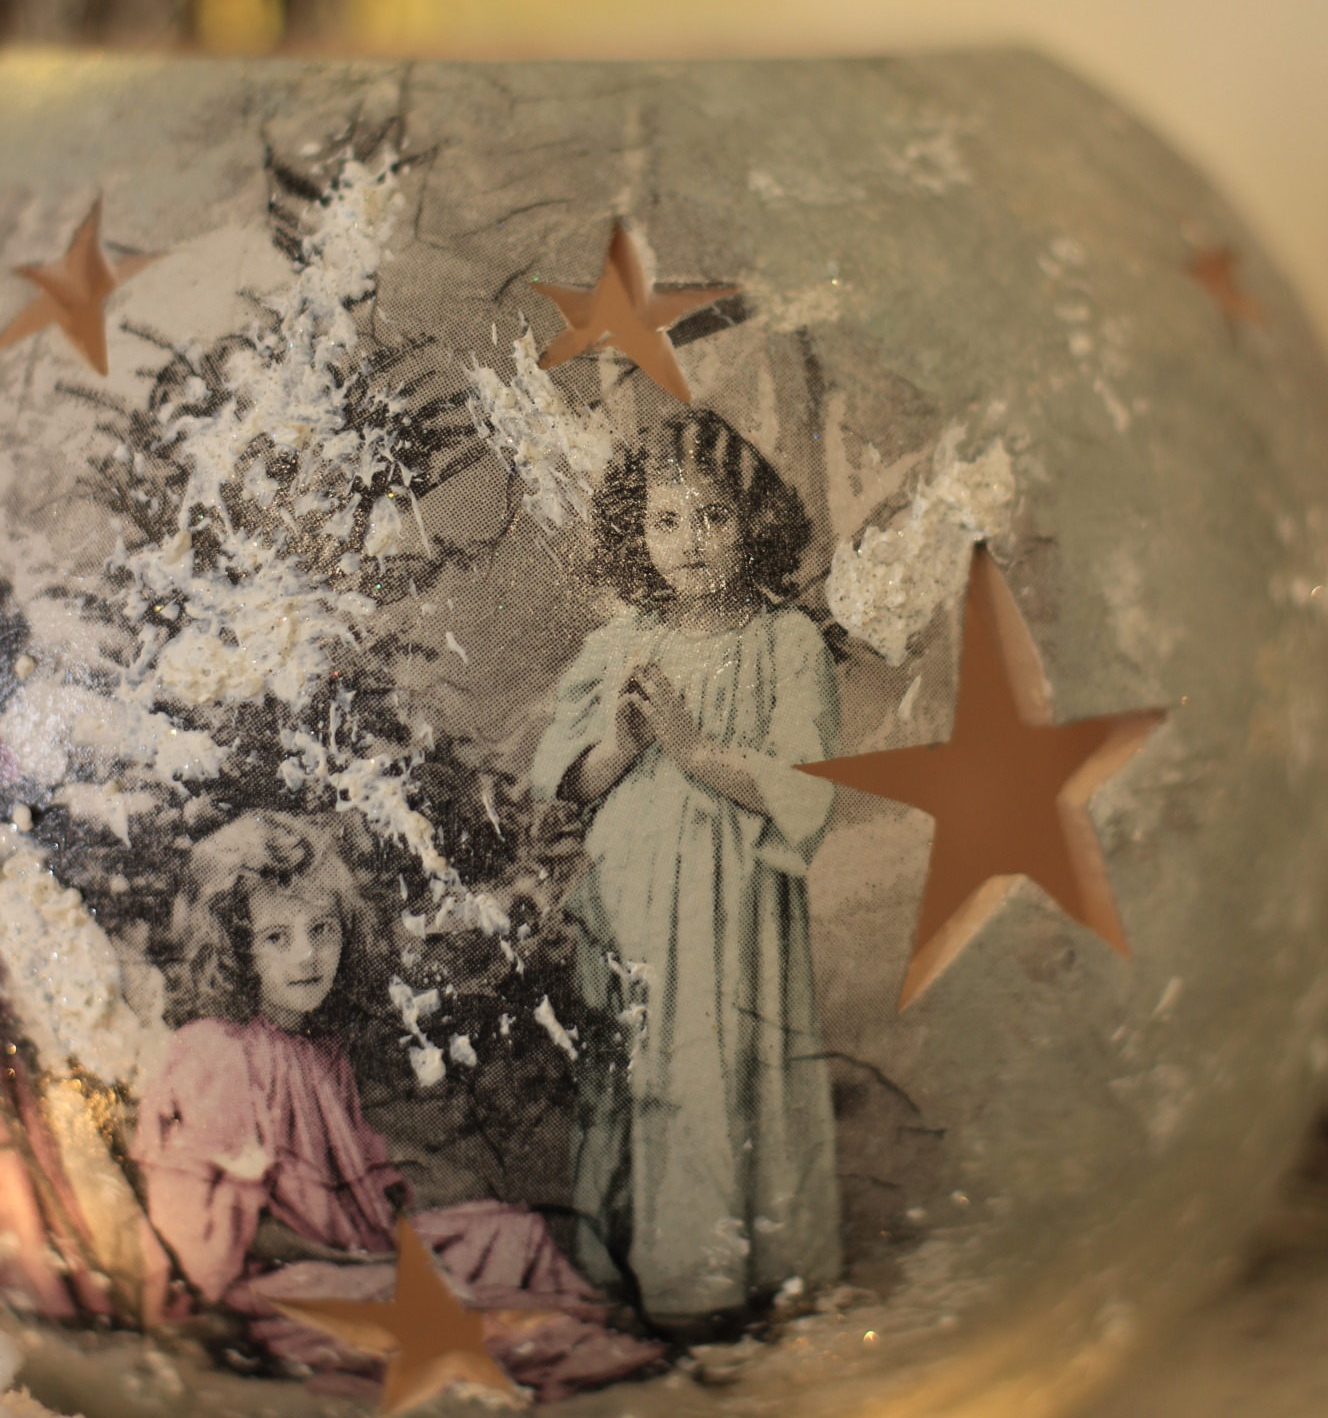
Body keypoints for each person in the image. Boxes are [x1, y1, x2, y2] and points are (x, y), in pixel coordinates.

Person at [132, 812, 661, 1400]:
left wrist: (399, 1240)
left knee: (512, 1235)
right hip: (272, 1284)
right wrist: (363, 1265)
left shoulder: (315, 1046)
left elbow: (358, 1187)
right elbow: (229, 1238)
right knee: (444, 1313)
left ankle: (587, 1333)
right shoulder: (215, 1052)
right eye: (275, 938)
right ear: (236, 947)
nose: (307, 956)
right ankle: (581, 1352)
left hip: (353, 1252)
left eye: (322, 929)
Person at [531, 411, 842, 1329]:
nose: (691, 541)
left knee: (714, 1060)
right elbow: (568, 780)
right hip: (628, 891)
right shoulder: (617, 644)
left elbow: (803, 784)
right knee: (638, 1064)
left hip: (730, 899)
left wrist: (694, 749)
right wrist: (623, 745)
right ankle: (633, 1266)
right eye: (665, 521)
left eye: (713, 516)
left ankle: (721, 1276)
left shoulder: (785, 642)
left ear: (753, 522)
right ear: (637, 532)